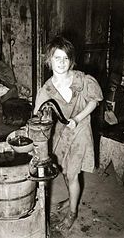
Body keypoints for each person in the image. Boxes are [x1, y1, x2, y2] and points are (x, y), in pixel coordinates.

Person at [33, 36, 103, 233]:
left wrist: (77, 119)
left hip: (80, 130)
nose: (62, 62)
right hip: (61, 134)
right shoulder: (46, 89)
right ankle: (71, 198)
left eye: (65, 58)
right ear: (49, 60)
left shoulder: (82, 79)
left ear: (71, 61)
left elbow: (94, 101)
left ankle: (72, 212)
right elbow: (38, 115)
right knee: (64, 169)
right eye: (57, 58)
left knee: (72, 174)